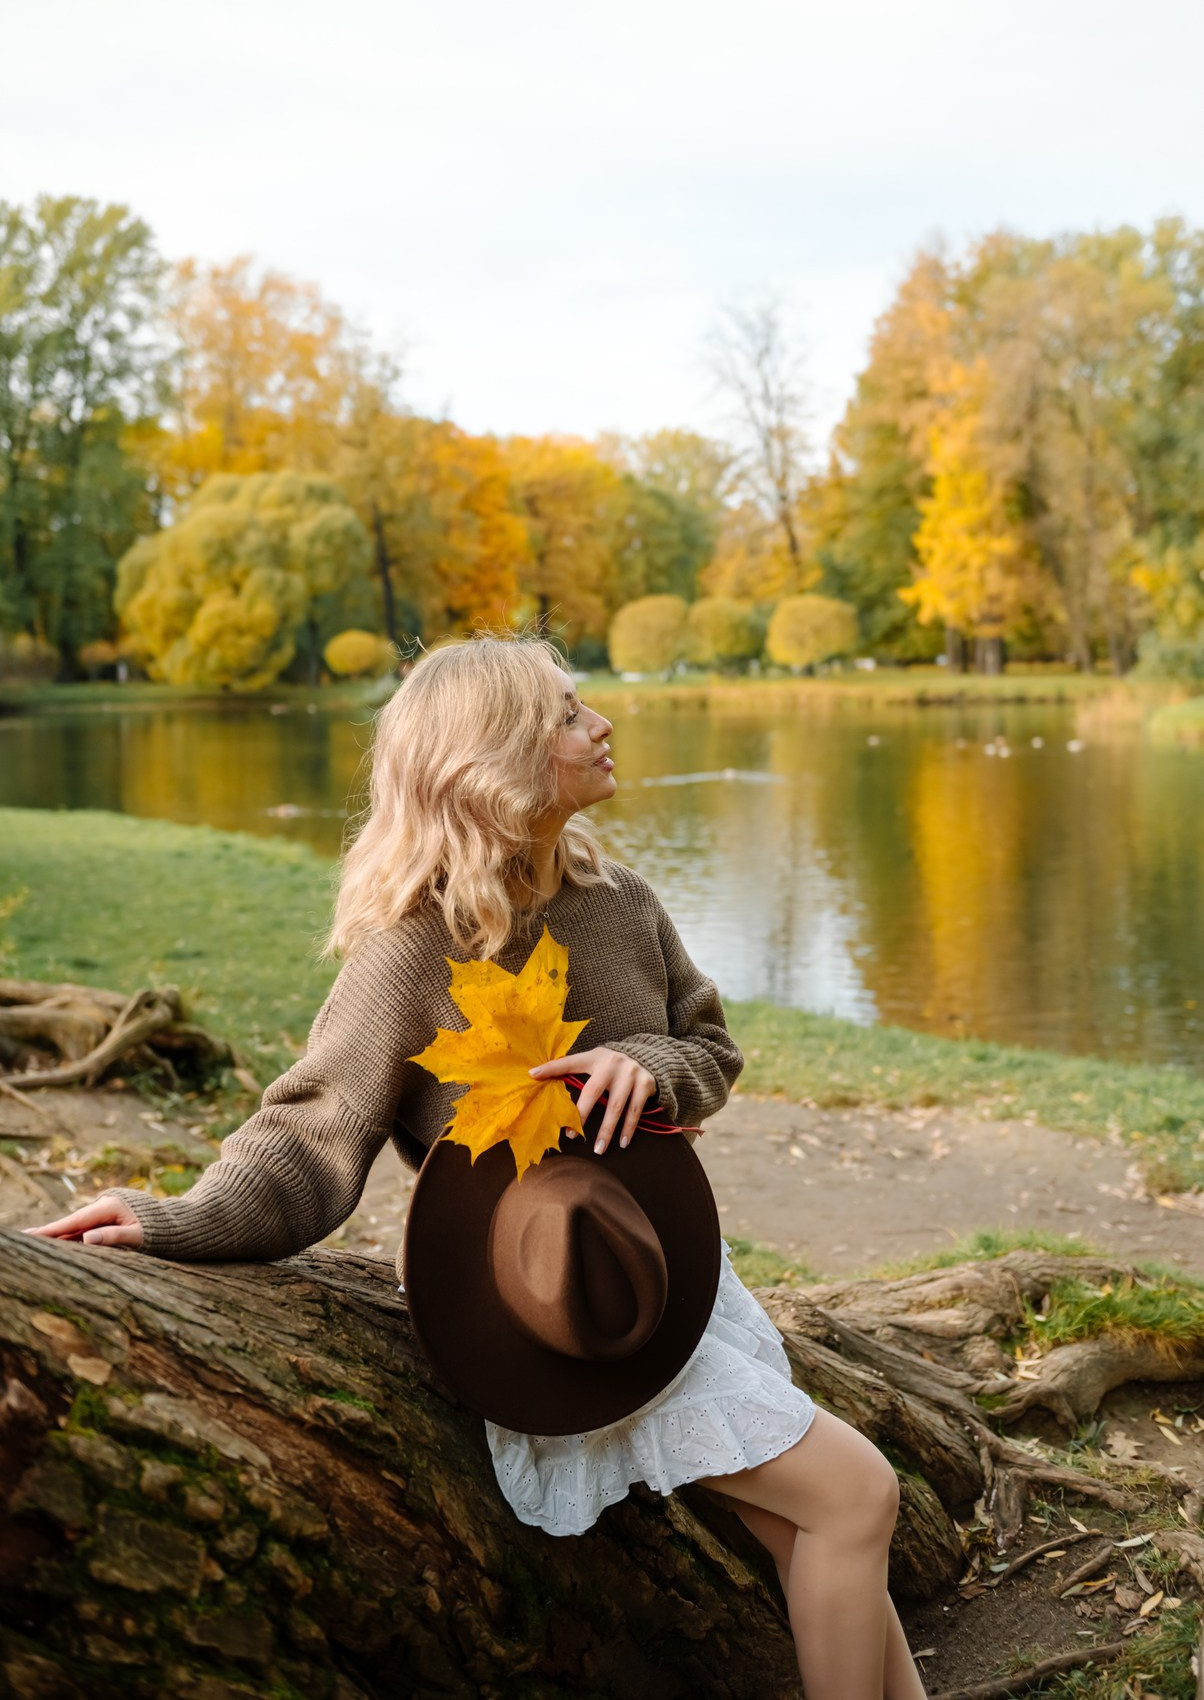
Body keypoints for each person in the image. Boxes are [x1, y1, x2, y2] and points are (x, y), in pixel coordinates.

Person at [30, 633, 925, 1700]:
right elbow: (307, 1139)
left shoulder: (622, 900)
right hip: (553, 1308)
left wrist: (648, 1067)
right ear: (492, 761)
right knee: (856, 1495)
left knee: (811, 1528)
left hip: (655, 1266)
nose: (600, 723)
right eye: (566, 713)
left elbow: (710, 1049)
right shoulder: (410, 951)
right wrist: (171, 1218)